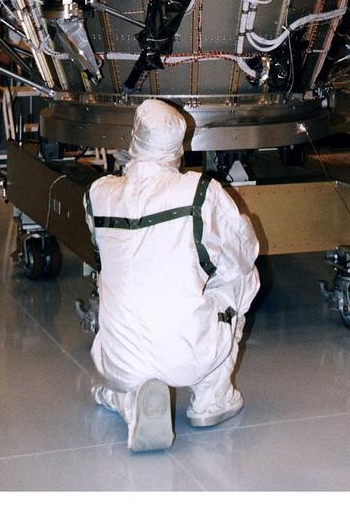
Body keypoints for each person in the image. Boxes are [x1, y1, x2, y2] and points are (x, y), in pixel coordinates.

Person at [84, 98, 260, 452]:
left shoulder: (98, 193)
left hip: (116, 359)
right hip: (187, 358)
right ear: (180, 146)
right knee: (244, 277)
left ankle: (125, 396)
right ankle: (211, 398)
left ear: (133, 138)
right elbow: (243, 254)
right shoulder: (199, 191)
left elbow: (104, 254)